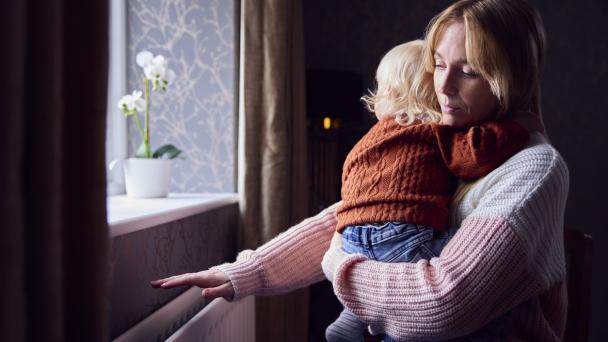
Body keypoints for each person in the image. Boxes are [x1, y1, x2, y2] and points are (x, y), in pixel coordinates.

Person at [151, 0, 568, 340]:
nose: (443, 87)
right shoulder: (451, 140)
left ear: (509, 79)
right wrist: (244, 272)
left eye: (469, 70)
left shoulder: (532, 167)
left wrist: (339, 265)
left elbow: (441, 303)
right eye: (439, 64)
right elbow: (360, 215)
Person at [324, 39, 529, 342]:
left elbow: (350, 182)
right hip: (402, 233)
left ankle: (352, 315)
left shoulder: (369, 138)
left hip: (350, 237)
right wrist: (518, 127)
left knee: (382, 266)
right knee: (476, 270)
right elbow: (474, 154)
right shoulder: (432, 129)